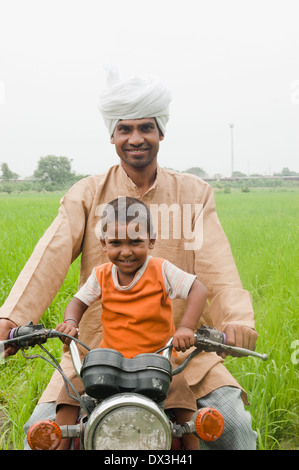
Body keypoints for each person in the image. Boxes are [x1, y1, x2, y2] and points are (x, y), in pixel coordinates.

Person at [0, 68, 258, 450]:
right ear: (112, 135)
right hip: (94, 357)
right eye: (125, 129)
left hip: (180, 355)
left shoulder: (193, 193)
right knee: (42, 439)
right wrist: (11, 318)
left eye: (146, 128)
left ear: (160, 133)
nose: (136, 139)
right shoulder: (86, 194)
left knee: (233, 429)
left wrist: (236, 321)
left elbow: (217, 268)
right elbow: (49, 257)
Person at [54, 196, 208, 450]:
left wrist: (185, 328)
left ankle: (192, 449)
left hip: (156, 361)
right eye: (116, 243)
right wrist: (70, 322)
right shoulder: (101, 275)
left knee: (181, 396)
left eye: (135, 242)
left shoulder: (161, 270)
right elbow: (77, 302)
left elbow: (198, 290)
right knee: (70, 388)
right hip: (108, 361)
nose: (126, 251)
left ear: (151, 240)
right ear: (104, 243)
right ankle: (61, 443)